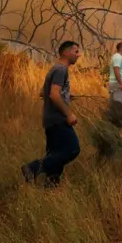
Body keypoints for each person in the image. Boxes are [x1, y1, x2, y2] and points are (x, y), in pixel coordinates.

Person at [21, 41, 81, 187]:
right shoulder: (61, 70)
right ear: (66, 52)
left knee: (55, 154)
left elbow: (44, 93)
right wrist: (68, 114)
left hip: (49, 120)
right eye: (76, 51)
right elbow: (54, 95)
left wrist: (66, 95)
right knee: (72, 149)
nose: (78, 55)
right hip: (58, 119)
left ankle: (50, 187)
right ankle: (33, 168)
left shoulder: (54, 69)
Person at [108, 41, 122, 105]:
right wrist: (121, 83)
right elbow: (116, 70)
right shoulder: (118, 57)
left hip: (115, 84)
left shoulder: (116, 57)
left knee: (114, 106)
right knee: (120, 106)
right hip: (117, 84)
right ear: (121, 48)